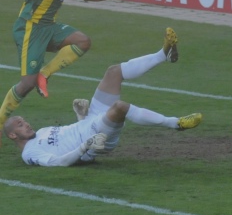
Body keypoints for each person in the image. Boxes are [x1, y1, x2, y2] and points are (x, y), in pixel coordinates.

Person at [3, 28, 202, 166]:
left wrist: (81, 114)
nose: (27, 124)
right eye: (20, 124)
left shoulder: (43, 131)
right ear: (13, 135)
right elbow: (58, 162)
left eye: (24, 121)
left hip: (90, 123)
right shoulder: (30, 153)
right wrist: (85, 147)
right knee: (120, 107)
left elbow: (71, 134)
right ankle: (175, 123)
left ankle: (162, 55)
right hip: (96, 139)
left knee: (113, 72)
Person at [0, 0, 137, 126]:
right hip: (31, 28)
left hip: (49, 27)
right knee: (27, 84)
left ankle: (44, 74)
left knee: (82, 41)